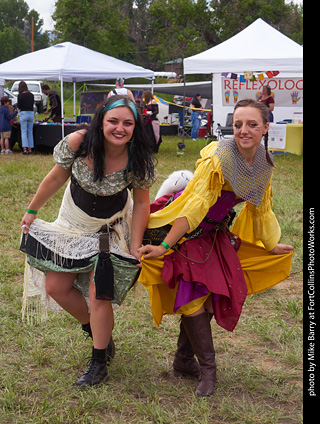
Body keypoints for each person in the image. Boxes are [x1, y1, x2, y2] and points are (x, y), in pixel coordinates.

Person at [138, 98, 294, 397]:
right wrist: (167, 244)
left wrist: (270, 244)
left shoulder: (264, 165)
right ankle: (208, 371)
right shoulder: (219, 157)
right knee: (195, 299)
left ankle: (184, 360)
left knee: (209, 299)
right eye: (238, 124)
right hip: (186, 230)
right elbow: (194, 207)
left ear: (265, 128)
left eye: (251, 124)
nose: (243, 131)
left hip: (213, 234)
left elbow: (260, 210)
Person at [20, 95, 156, 388]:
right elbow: (56, 178)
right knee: (56, 287)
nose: (120, 128)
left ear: (135, 126)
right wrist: (32, 210)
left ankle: (98, 362)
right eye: (113, 121)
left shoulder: (139, 156)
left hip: (109, 228)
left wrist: (134, 244)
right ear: (101, 120)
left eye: (127, 123)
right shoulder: (79, 142)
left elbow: (142, 203)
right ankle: (95, 331)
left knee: (99, 294)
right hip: (72, 222)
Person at [17, 81, 35, 155]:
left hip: (24, 112)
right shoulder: (31, 95)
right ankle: (30, 148)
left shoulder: (20, 95)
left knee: (24, 132)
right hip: (31, 113)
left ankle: (25, 149)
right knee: (30, 131)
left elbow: (19, 106)